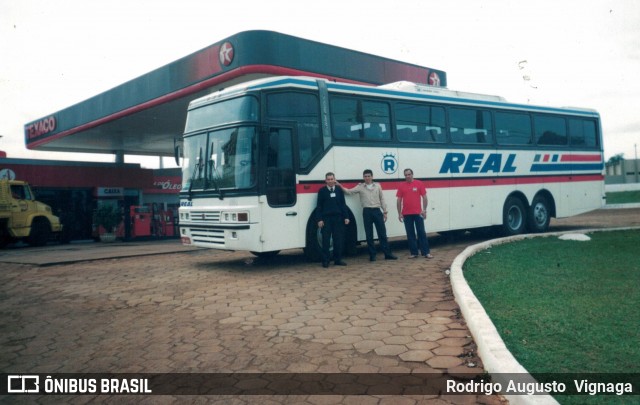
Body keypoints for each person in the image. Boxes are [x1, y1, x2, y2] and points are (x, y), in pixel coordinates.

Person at [338, 169, 397, 262]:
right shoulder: (360, 187)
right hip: (367, 212)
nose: (367, 178)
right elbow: (349, 192)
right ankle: (372, 255)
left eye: (369, 176)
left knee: (382, 233)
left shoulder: (378, 186)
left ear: (372, 176)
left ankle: (387, 254)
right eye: (365, 176)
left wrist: (385, 211)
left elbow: (382, 199)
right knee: (369, 235)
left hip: (377, 211)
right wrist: (339, 185)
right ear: (363, 177)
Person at [396, 168, 433, 259]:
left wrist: (424, 210)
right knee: (410, 233)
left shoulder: (419, 183)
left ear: (412, 174)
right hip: (406, 214)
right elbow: (399, 200)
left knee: (421, 232)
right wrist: (399, 213)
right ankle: (414, 253)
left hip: (418, 213)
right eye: (406, 175)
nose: (407, 176)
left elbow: (424, 197)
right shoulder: (401, 186)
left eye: (409, 174)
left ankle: (426, 253)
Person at [315, 172, 350, 268]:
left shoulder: (339, 190)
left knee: (338, 240)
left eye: (332, 179)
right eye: (328, 179)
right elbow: (319, 206)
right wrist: (319, 219)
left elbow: (343, 204)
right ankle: (325, 261)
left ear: (335, 180)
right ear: (325, 181)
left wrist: (346, 217)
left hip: (338, 218)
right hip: (326, 219)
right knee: (326, 240)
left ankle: (337, 260)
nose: (330, 181)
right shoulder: (322, 191)